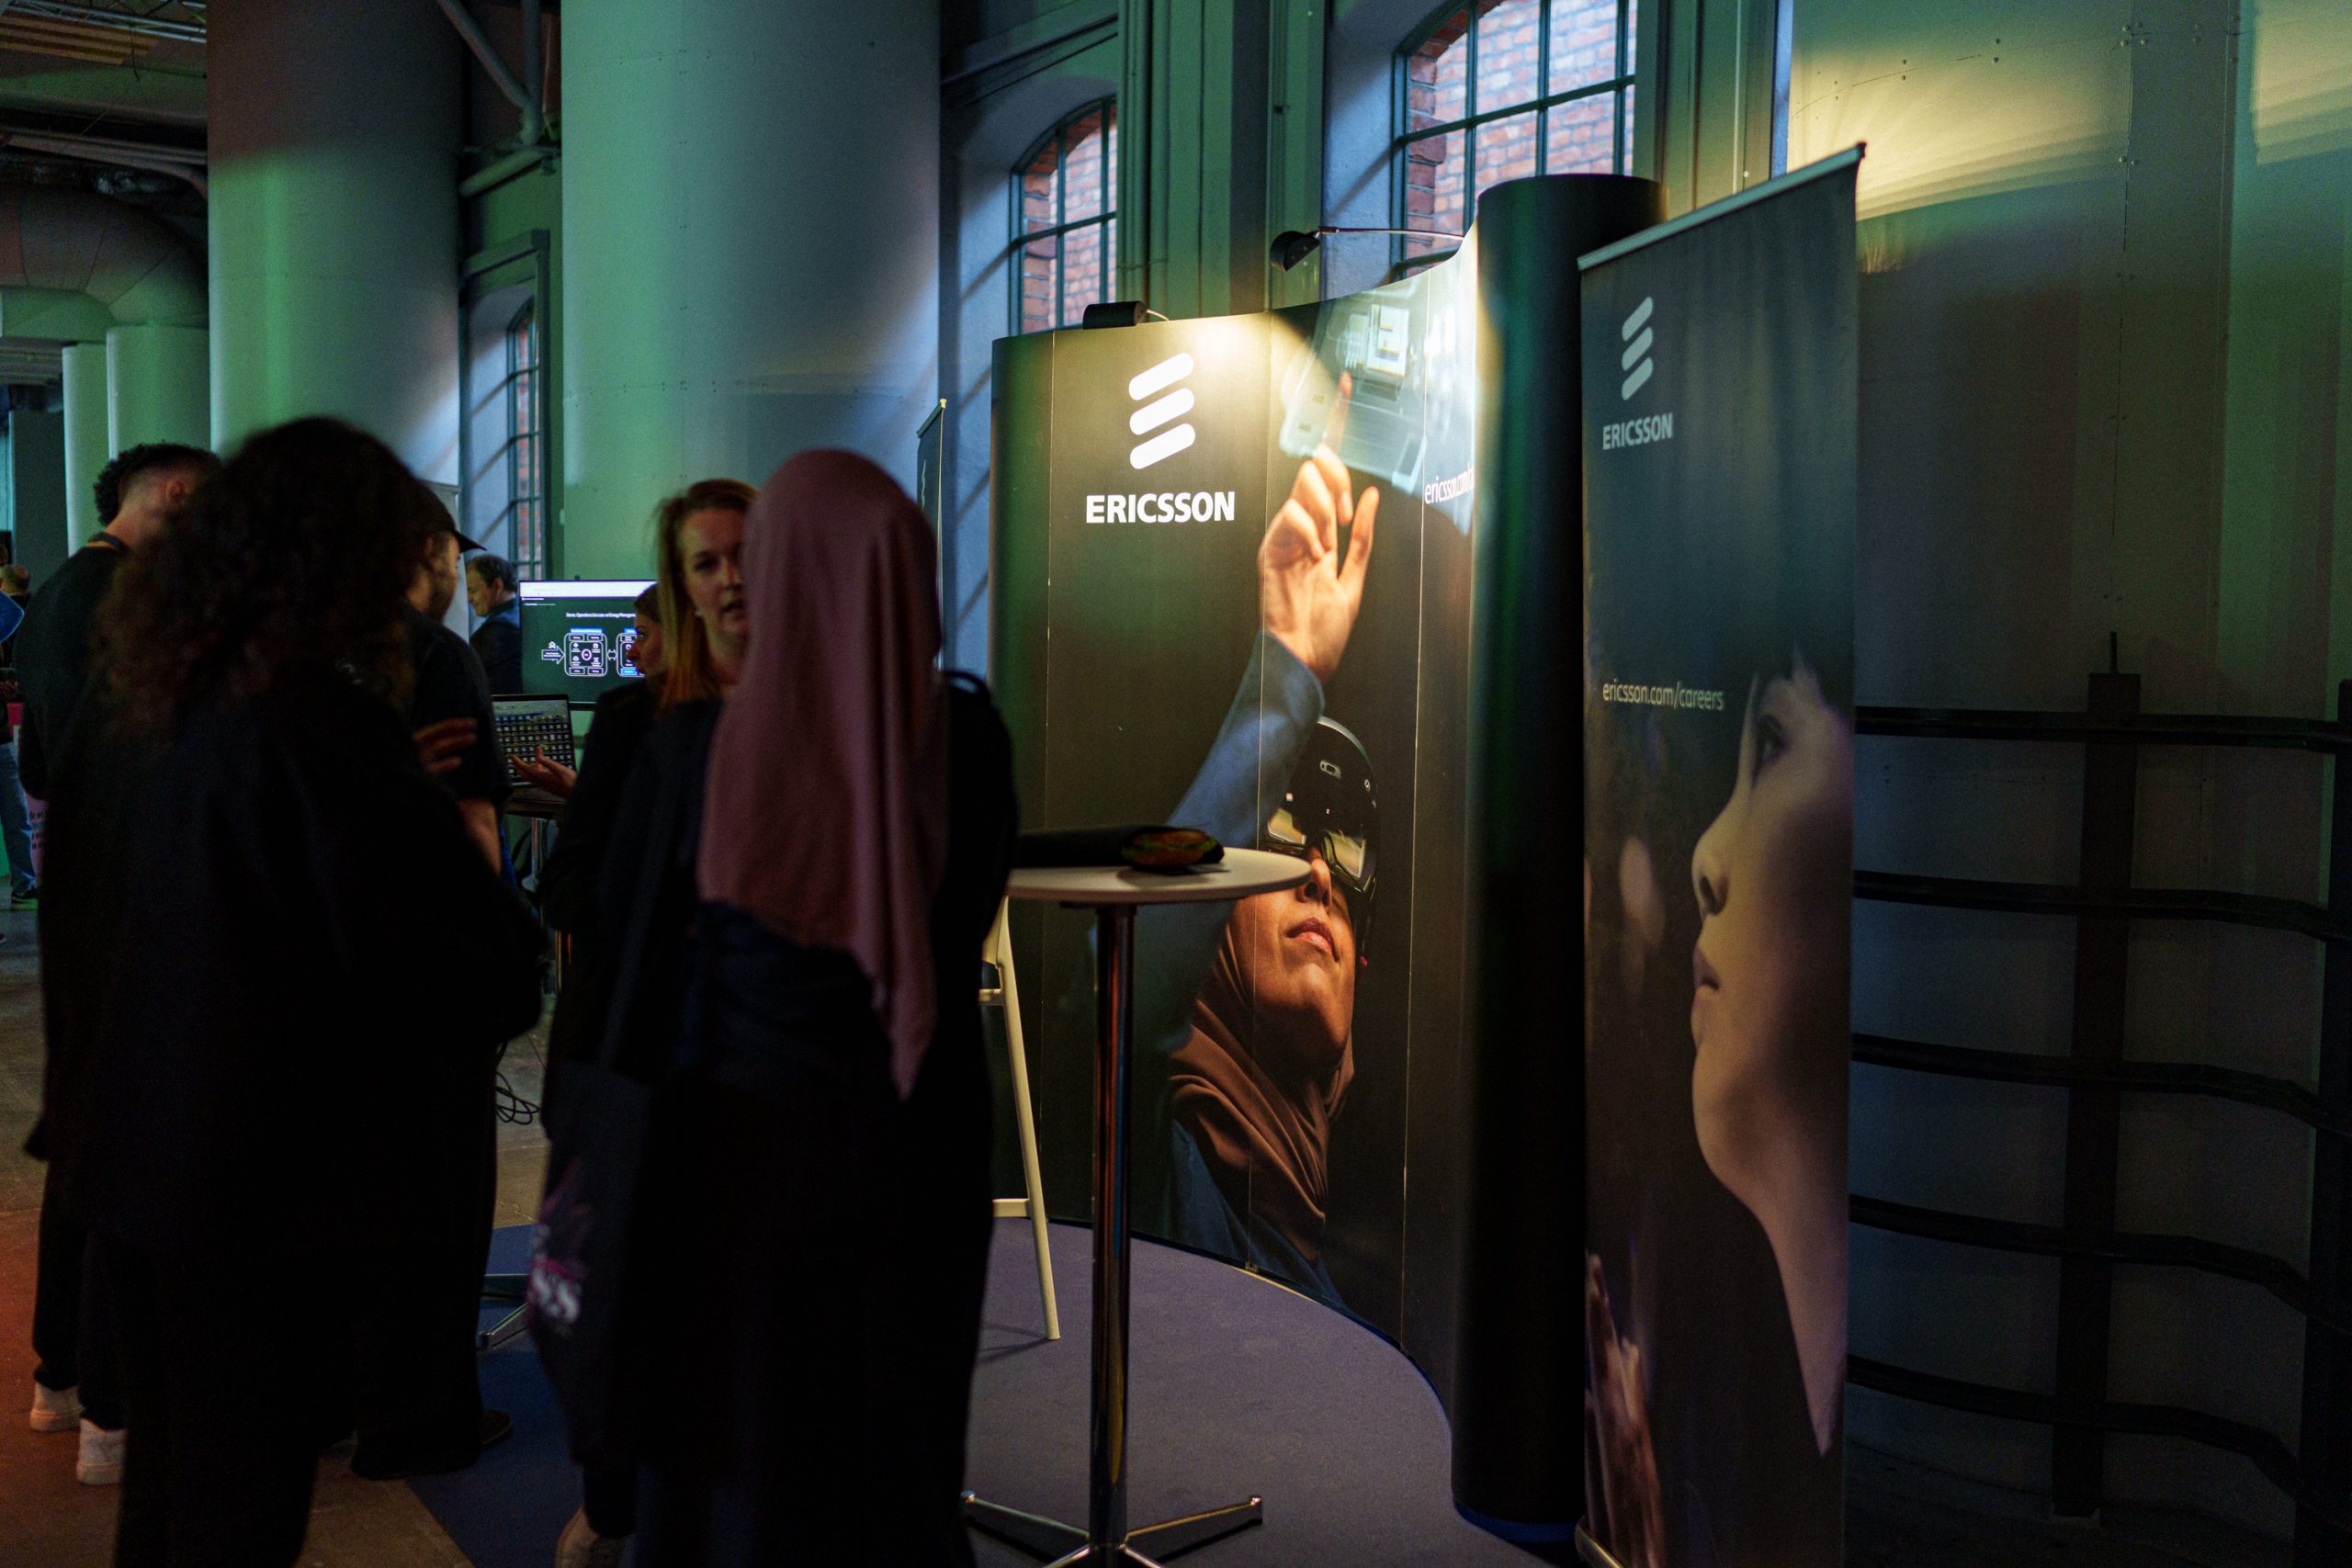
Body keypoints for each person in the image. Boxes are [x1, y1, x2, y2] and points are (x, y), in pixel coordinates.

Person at [38, 416, 542, 1565]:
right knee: (236, 1507)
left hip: (124, 1157)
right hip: (252, 1187)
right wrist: (408, 808)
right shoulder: (318, 721)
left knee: (170, 1492)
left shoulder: (133, 704)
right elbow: (487, 969)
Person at [591, 451, 1012, 1566]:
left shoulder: (696, 748)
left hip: (735, 1168)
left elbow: (634, 957)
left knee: (741, 1473)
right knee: (901, 1453)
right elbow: (959, 920)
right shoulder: (967, 737)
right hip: (922, 1150)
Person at [528, 487, 746, 1568]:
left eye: (746, 555)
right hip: (642, 1056)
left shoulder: (826, 718)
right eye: (706, 564)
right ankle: (613, 1507)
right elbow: (569, 888)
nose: (731, 579)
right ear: (682, 588)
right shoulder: (635, 722)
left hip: (767, 1077)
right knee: (627, 1295)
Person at [1125, 432, 1381, 1299]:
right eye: (1282, 835)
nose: (1320, 875)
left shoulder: (1339, 1299)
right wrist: (1286, 678)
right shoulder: (1154, 1186)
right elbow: (1123, 995)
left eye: (1345, 854)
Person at [14, 439, 217, 1487]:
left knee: (91, 1141)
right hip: (141, 901)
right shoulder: (130, 604)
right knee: (135, 1150)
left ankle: (60, 1376)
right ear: (176, 494)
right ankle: (112, 1406)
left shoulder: (52, 597)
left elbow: (40, 763)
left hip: (87, 894)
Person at [345, 502, 519, 1482]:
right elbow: (472, 825)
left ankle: (345, 1396)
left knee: (356, 1196)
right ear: (430, 551)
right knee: (438, 1203)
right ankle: (423, 1421)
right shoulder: (436, 657)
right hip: (424, 975)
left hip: (329, 972)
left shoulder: (306, 651)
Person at [465, 551, 524, 694]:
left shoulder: (499, 629)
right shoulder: (523, 614)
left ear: (497, 585)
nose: (469, 598)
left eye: (473, 590)